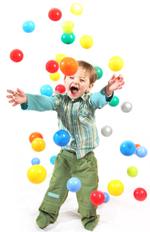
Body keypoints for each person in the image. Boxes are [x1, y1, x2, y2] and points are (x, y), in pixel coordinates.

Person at [6, 60, 125, 231]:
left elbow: (100, 99)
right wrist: (27, 99)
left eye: (82, 80)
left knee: (87, 191)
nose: (75, 81)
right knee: (57, 186)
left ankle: (89, 216)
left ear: (89, 87)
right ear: (64, 81)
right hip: (65, 157)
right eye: (71, 77)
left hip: (86, 160)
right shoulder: (59, 100)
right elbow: (45, 102)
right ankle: (47, 213)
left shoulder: (89, 101)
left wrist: (108, 90)